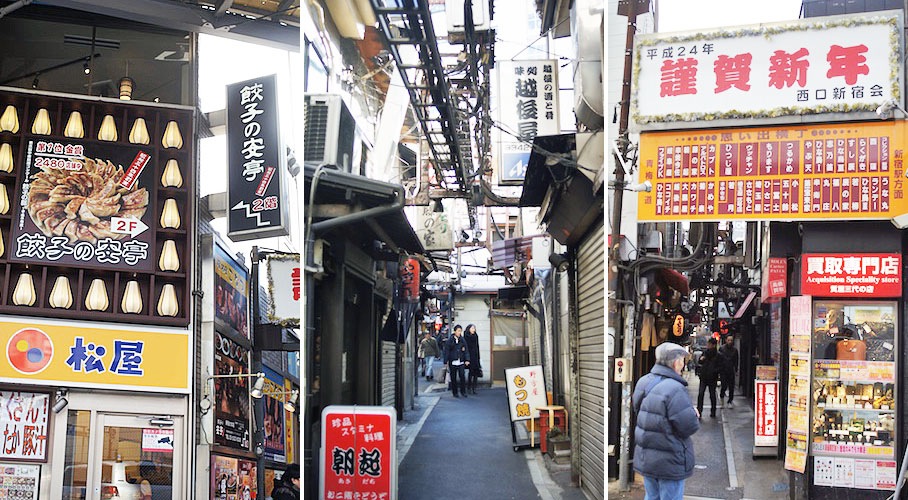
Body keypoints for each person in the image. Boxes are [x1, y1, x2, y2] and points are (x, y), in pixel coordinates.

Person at [633, 341, 700, 500]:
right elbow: (688, 426)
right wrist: (693, 413)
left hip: (646, 457)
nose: (683, 364)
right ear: (676, 362)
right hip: (669, 460)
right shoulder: (675, 388)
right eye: (682, 360)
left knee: (652, 496)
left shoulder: (643, 382)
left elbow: (638, 410)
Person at [444, 324, 470, 397]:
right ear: (455, 331)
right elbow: (447, 351)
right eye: (458, 331)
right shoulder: (450, 340)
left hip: (461, 360)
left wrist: (467, 359)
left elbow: (466, 350)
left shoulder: (462, 340)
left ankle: (463, 391)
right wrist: (445, 361)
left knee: (462, 376)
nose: (459, 332)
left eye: (460, 331)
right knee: (453, 377)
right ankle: (455, 392)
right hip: (453, 361)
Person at [697, 338, 720, 418]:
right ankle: (699, 411)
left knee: (712, 395)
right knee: (701, 394)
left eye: (709, 344)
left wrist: (714, 371)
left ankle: (713, 411)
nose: (708, 345)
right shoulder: (705, 353)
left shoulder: (718, 355)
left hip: (712, 378)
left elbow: (720, 366)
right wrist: (701, 360)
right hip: (703, 377)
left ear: (714, 345)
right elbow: (699, 362)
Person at [719, 335, 739, 407]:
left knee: (731, 387)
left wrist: (736, 370)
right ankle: (722, 398)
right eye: (728, 340)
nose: (730, 341)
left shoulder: (735, 350)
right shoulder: (722, 348)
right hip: (723, 370)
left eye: (731, 340)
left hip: (731, 370)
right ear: (726, 340)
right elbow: (719, 359)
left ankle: (730, 401)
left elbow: (736, 361)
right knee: (724, 386)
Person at [464, 324, 481, 394]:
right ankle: (469, 387)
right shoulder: (466, 336)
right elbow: (465, 347)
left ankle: (474, 387)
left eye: (474, 328)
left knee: (476, 372)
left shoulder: (476, 336)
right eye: (472, 328)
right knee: (471, 372)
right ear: (469, 329)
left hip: (475, 356)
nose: (474, 329)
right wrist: (466, 358)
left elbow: (477, 346)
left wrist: (478, 357)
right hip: (469, 356)